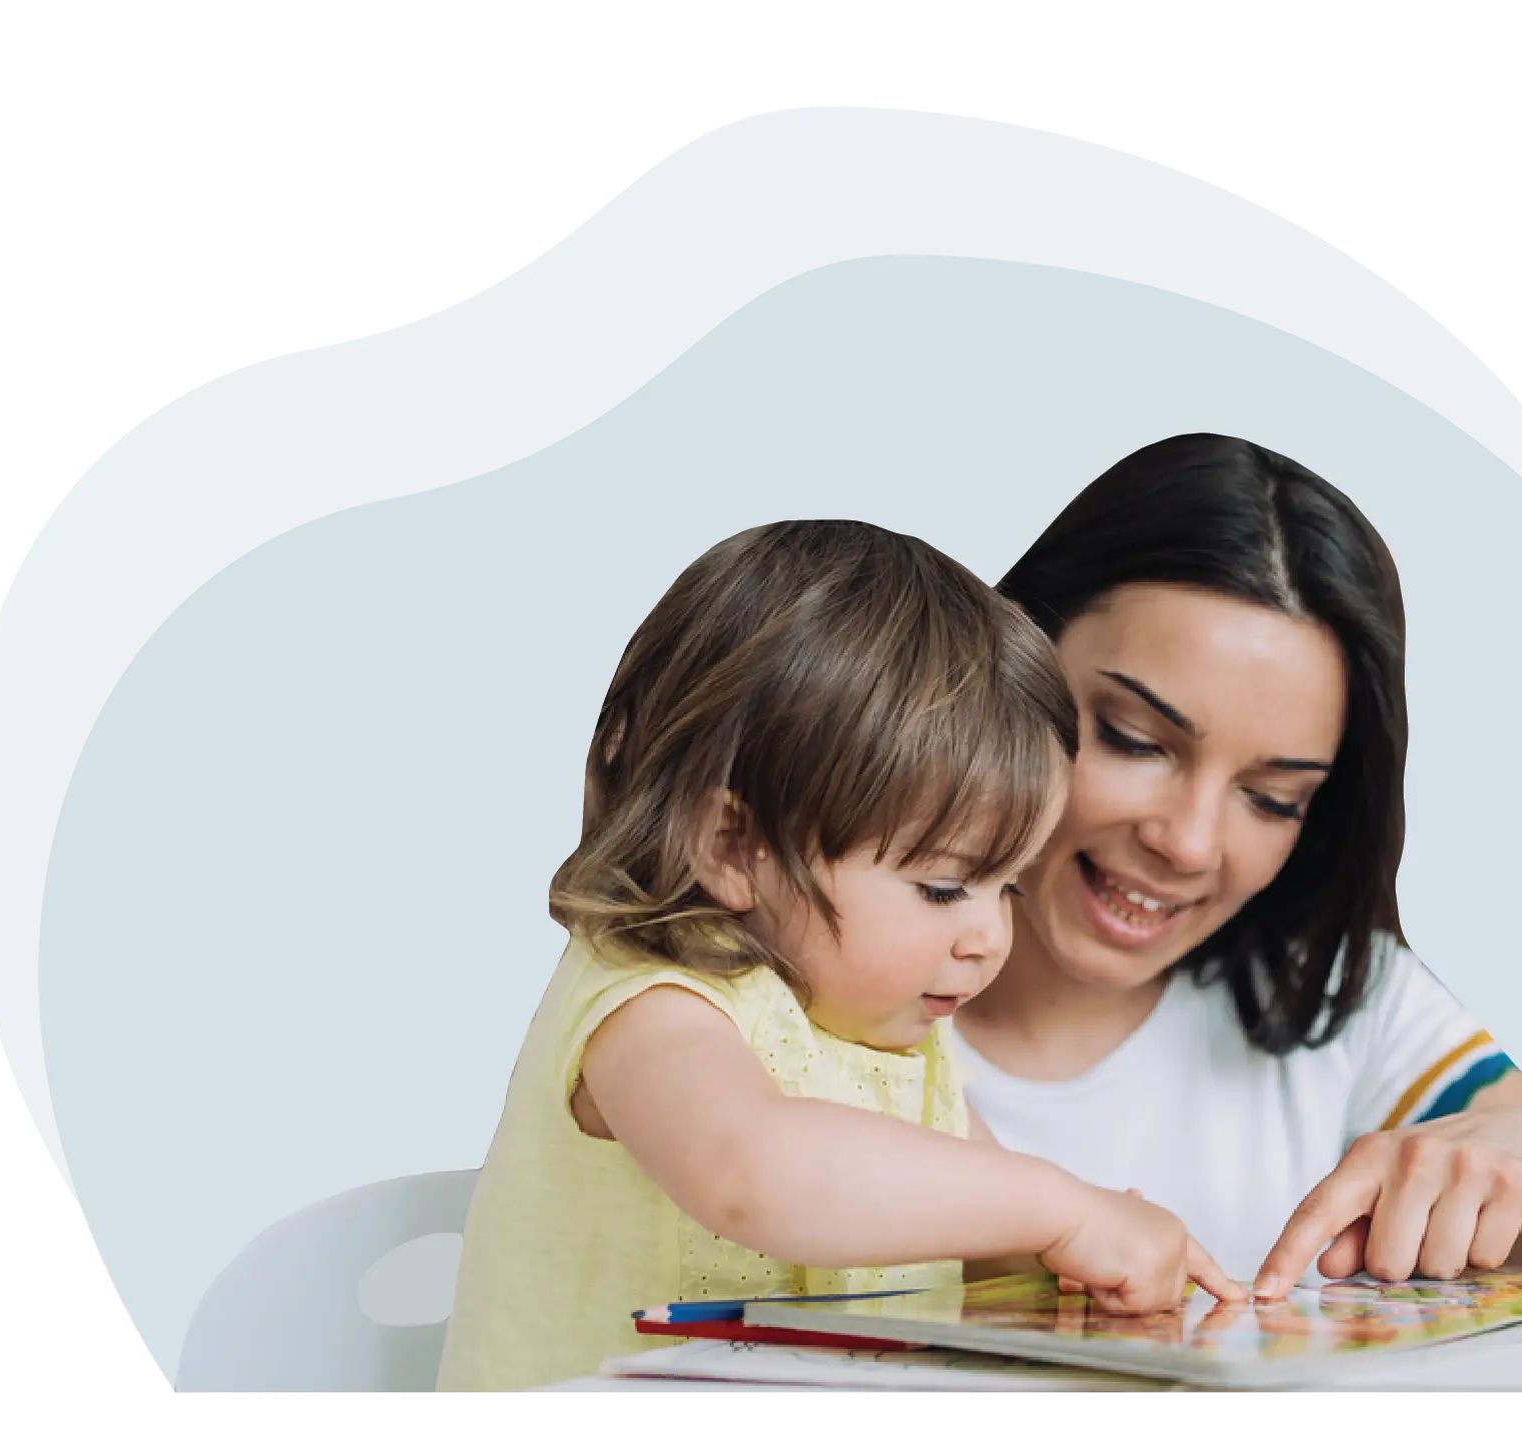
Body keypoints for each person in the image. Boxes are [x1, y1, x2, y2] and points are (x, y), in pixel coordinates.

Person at [435, 519, 1245, 1393]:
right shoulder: (651, 1005)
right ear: (732, 844)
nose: (990, 938)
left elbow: (995, 1236)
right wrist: (1060, 1205)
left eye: (1006, 887)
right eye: (943, 887)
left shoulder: (897, 1047)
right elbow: (754, 1172)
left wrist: (1106, 1268)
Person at [951, 434, 1522, 1302]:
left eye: (1272, 798)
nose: (1188, 843)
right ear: (1014, 660)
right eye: (1135, 740)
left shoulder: (1331, 997)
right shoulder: (814, 953)